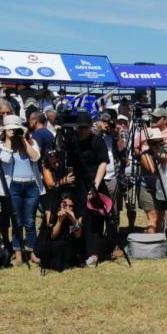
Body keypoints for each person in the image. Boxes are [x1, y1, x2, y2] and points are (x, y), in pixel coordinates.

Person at [65, 110, 110, 266]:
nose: (82, 131)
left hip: (95, 183)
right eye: (80, 128)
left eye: (85, 128)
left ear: (90, 127)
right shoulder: (73, 142)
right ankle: (80, 250)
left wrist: (96, 186)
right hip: (79, 185)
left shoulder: (97, 141)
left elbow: (103, 163)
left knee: (94, 219)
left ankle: (94, 253)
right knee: (79, 217)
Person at [0, 115, 43, 264]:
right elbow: (5, 159)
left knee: (30, 221)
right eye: (10, 129)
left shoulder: (31, 142)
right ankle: (18, 252)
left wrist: (23, 138)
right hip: (14, 186)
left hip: (31, 185)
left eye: (15, 129)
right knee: (17, 221)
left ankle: (32, 252)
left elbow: (36, 157)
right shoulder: (2, 145)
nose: (13, 132)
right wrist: (9, 140)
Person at [138, 128, 167, 234]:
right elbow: (153, 171)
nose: (157, 144)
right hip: (147, 189)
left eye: (160, 141)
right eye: (154, 142)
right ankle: (151, 244)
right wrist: (160, 158)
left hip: (161, 188)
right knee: (153, 217)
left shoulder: (164, 152)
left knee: (160, 217)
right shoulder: (144, 155)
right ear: (150, 143)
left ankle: (158, 243)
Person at [35, 191, 84, 272]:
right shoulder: (51, 213)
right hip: (50, 241)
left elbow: (78, 235)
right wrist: (60, 221)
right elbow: (53, 236)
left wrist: (74, 221)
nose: (68, 208)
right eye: (65, 205)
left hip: (66, 242)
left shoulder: (77, 215)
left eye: (70, 206)